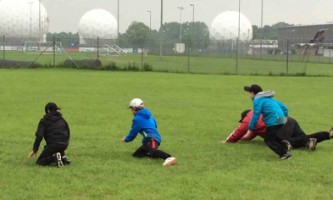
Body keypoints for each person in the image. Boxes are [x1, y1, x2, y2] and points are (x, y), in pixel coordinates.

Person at [226, 110, 333, 149]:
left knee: (286, 142)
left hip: (282, 125)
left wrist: (231, 140)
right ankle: (328, 135)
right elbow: (250, 135)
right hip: (289, 120)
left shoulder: (250, 120)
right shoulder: (260, 113)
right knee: (304, 138)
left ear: (244, 117)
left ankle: (308, 141)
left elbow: (243, 135)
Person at [243, 84, 294, 159]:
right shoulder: (268, 99)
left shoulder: (257, 100)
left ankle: (284, 154)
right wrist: (285, 116)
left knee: (268, 140)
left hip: (273, 120)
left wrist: (250, 129)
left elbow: (256, 115)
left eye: (249, 93)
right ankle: (284, 144)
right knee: (273, 135)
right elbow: (283, 107)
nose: (249, 95)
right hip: (280, 119)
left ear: (252, 93)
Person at [121, 98, 176, 166]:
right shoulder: (150, 116)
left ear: (134, 108)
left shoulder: (137, 119)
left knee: (153, 151)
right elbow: (155, 125)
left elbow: (133, 132)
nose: (131, 111)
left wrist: (126, 139)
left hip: (152, 139)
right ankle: (151, 153)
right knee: (137, 155)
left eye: (131, 109)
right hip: (150, 139)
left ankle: (169, 158)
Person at [28, 102, 71, 167]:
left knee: (40, 162)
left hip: (53, 146)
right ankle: (62, 156)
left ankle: (54, 157)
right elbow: (68, 132)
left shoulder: (43, 121)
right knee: (48, 146)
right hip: (64, 144)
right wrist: (65, 143)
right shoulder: (62, 120)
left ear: (48, 111)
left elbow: (39, 136)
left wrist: (35, 149)